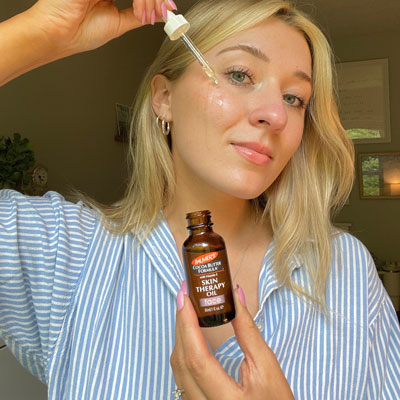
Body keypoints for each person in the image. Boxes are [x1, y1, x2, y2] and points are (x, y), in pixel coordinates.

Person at [1, 0, 400, 399]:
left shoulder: (346, 270)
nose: (276, 115)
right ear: (164, 98)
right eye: (241, 74)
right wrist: (43, 32)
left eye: (294, 98)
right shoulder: (66, 253)